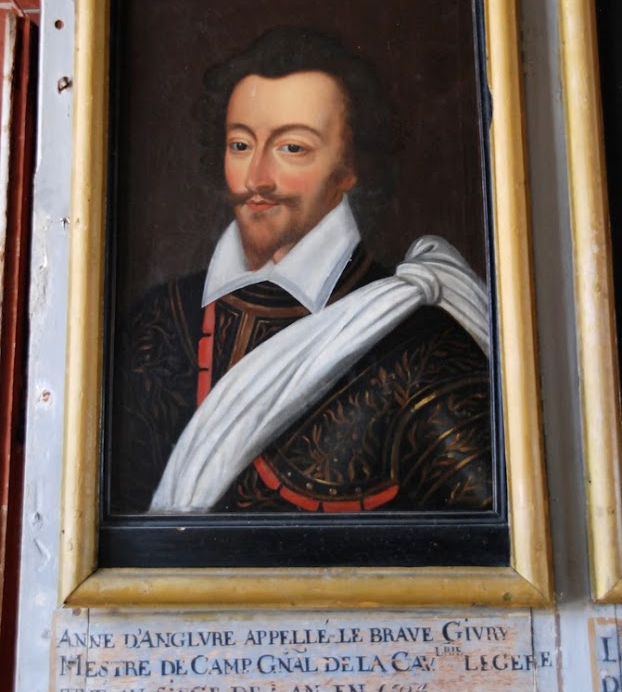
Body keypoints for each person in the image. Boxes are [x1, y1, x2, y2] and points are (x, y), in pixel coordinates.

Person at [110, 27, 493, 516]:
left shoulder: (422, 347)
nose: (257, 179)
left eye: (292, 148)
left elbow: (497, 544)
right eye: (240, 145)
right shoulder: (158, 323)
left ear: (350, 168)